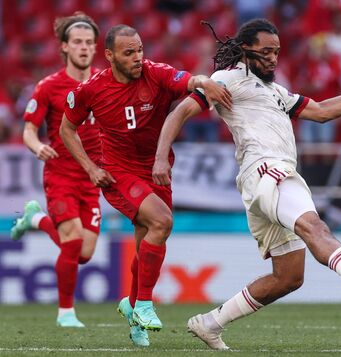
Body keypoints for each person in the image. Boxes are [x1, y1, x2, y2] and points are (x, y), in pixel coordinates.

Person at [153, 18, 341, 350]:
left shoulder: (276, 91)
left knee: (289, 277)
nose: (273, 59)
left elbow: (323, 111)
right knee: (315, 225)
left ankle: (211, 323)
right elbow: (179, 113)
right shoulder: (227, 79)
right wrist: (161, 157)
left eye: (277, 52)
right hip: (266, 170)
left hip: (262, 182)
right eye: (266, 52)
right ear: (245, 50)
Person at [59, 24, 231, 347]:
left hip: (155, 171)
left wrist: (203, 80)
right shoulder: (92, 90)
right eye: (129, 52)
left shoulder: (155, 74)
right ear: (109, 56)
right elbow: (67, 129)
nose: (138, 57)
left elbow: (187, 80)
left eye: (140, 49)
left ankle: (132, 307)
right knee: (162, 221)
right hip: (117, 172)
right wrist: (90, 168)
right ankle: (145, 305)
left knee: (148, 242)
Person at [10, 12, 101, 328]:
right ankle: (66, 313)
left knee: (85, 254)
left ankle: (35, 219)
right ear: (64, 47)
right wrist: (37, 148)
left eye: (89, 42)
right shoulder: (49, 86)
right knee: (73, 241)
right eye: (77, 42)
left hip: (92, 177)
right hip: (60, 173)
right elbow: (28, 131)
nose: (84, 48)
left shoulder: (104, 83)